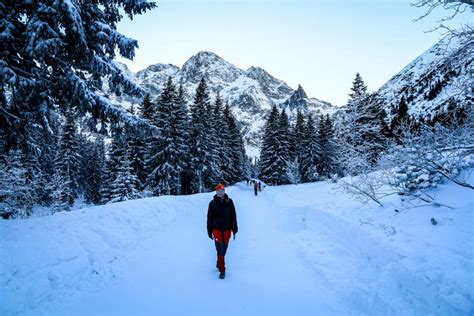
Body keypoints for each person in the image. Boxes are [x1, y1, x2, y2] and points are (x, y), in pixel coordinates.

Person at [207, 183, 238, 279]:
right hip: (216, 230)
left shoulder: (229, 201)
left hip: (227, 230)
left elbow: (233, 215)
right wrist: (209, 230)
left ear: (224, 191)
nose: (221, 192)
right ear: (216, 192)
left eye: (222, 190)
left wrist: (235, 228)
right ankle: (222, 269)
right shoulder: (212, 203)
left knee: (224, 249)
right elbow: (209, 218)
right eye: (219, 191)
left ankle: (219, 262)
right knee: (220, 250)